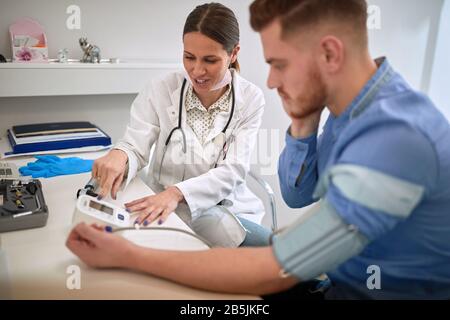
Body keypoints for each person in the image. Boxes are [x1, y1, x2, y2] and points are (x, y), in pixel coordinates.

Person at [67, 0, 450, 299]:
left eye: (279, 65)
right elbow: (297, 196)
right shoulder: (346, 111)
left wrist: (126, 256)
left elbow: (278, 266)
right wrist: (302, 122)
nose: (269, 80)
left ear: (330, 54)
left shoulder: (394, 138)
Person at [92, 3, 271, 248]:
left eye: (210, 60)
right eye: (189, 57)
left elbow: (233, 170)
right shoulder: (162, 88)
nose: (197, 70)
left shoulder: (250, 98)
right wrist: (119, 154)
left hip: (224, 208)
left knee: (272, 251)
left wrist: (177, 193)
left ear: (234, 53)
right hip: (161, 205)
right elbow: (135, 144)